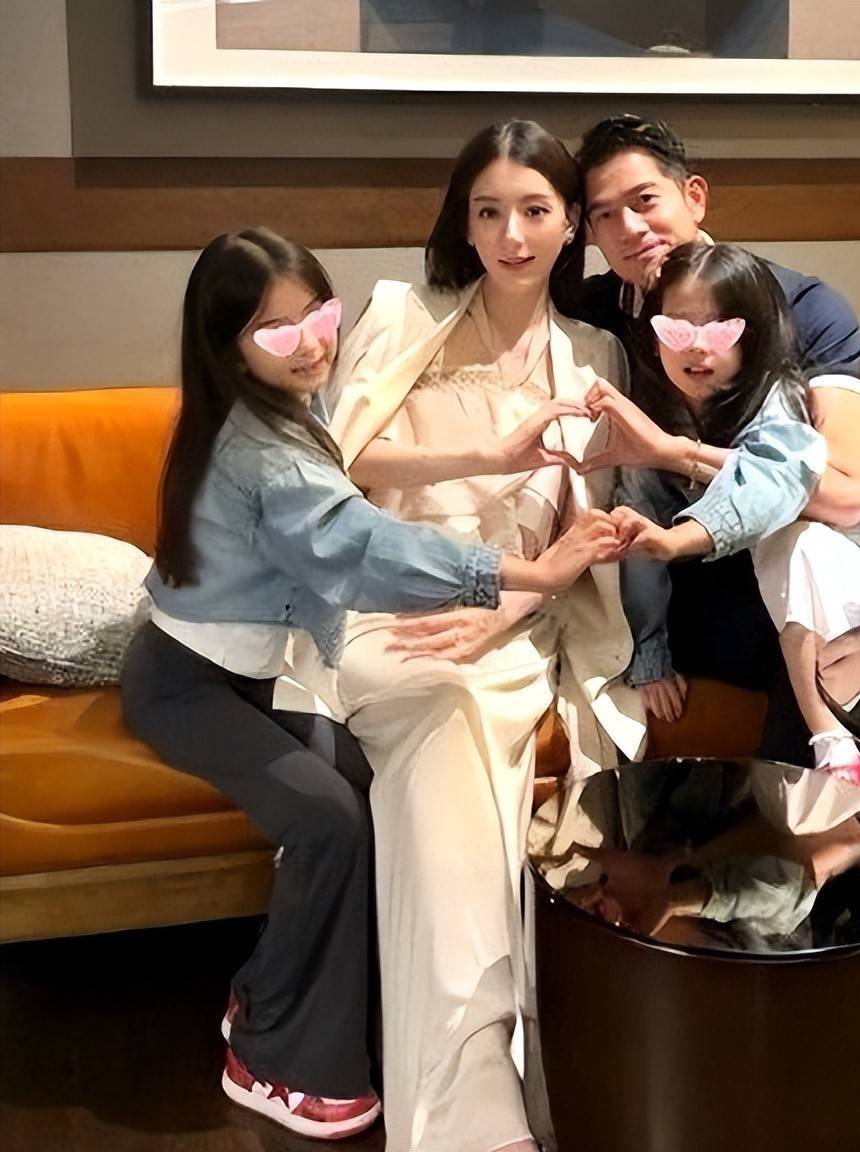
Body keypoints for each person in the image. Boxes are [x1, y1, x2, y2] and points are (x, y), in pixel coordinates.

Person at [119, 228, 622, 1142]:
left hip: (256, 675)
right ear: (226, 344)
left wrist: (492, 466)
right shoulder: (261, 451)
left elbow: (353, 498)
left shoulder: (284, 406)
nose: (311, 342)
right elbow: (363, 548)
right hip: (188, 685)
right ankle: (270, 1053)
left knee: (361, 781)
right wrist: (528, 575)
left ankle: (275, 990)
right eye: (276, 331)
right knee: (328, 821)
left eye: (319, 314)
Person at [324, 121, 645, 1152]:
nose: (512, 235)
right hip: (385, 604)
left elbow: (580, 536)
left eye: (535, 211)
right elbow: (341, 464)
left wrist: (499, 611)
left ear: (570, 226)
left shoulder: (594, 356)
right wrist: (486, 453)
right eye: (489, 211)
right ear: (462, 223)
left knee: (461, 726)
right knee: (439, 705)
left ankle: (476, 1097)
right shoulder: (399, 314)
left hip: (514, 622)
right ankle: (476, 1093)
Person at [591, 242, 860, 789]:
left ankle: (843, 766)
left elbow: (772, 483)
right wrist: (651, 653)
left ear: (754, 334)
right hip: (757, 585)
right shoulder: (649, 407)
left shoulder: (777, 397)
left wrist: (680, 531)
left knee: (806, 570)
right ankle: (830, 772)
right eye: (677, 329)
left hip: (848, 552)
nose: (696, 346)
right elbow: (639, 533)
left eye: (720, 330)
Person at [574, 115, 860, 759]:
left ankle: (827, 809)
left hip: (771, 576)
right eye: (604, 215)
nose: (629, 228)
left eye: (645, 200)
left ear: (695, 197)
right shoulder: (590, 316)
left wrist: (675, 452)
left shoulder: (802, 310)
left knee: (823, 603)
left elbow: (847, 492)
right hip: (661, 587)